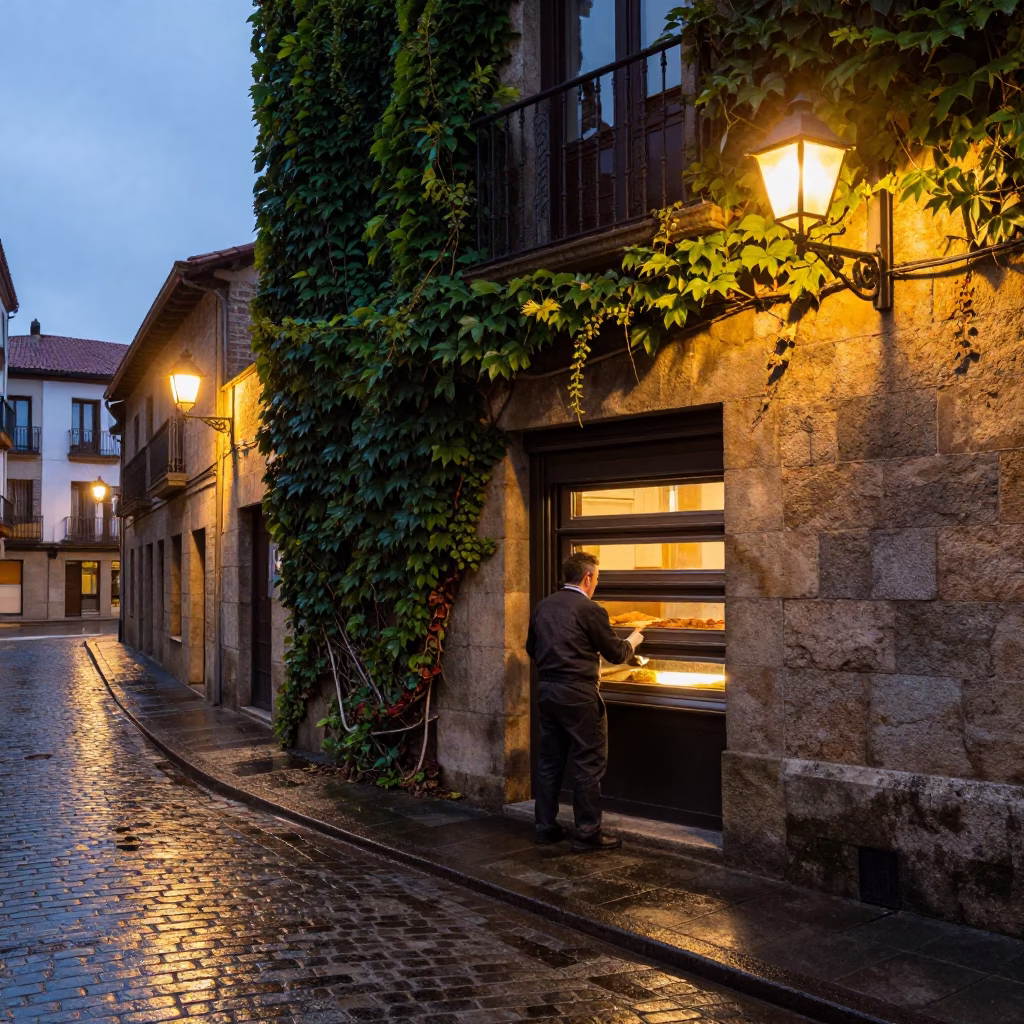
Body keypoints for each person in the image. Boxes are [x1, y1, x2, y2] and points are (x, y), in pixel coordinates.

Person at [525, 552, 643, 852]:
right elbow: (616, 653)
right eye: (597, 578)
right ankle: (588, 832)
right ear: (587, 577)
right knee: (588, 763)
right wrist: (633, 640)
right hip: (579, 694)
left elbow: (530, 648)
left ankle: (545, 828)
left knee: (550, 761)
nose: (596, 584)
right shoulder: (590, 609)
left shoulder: (543, 606)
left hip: (547, 691)